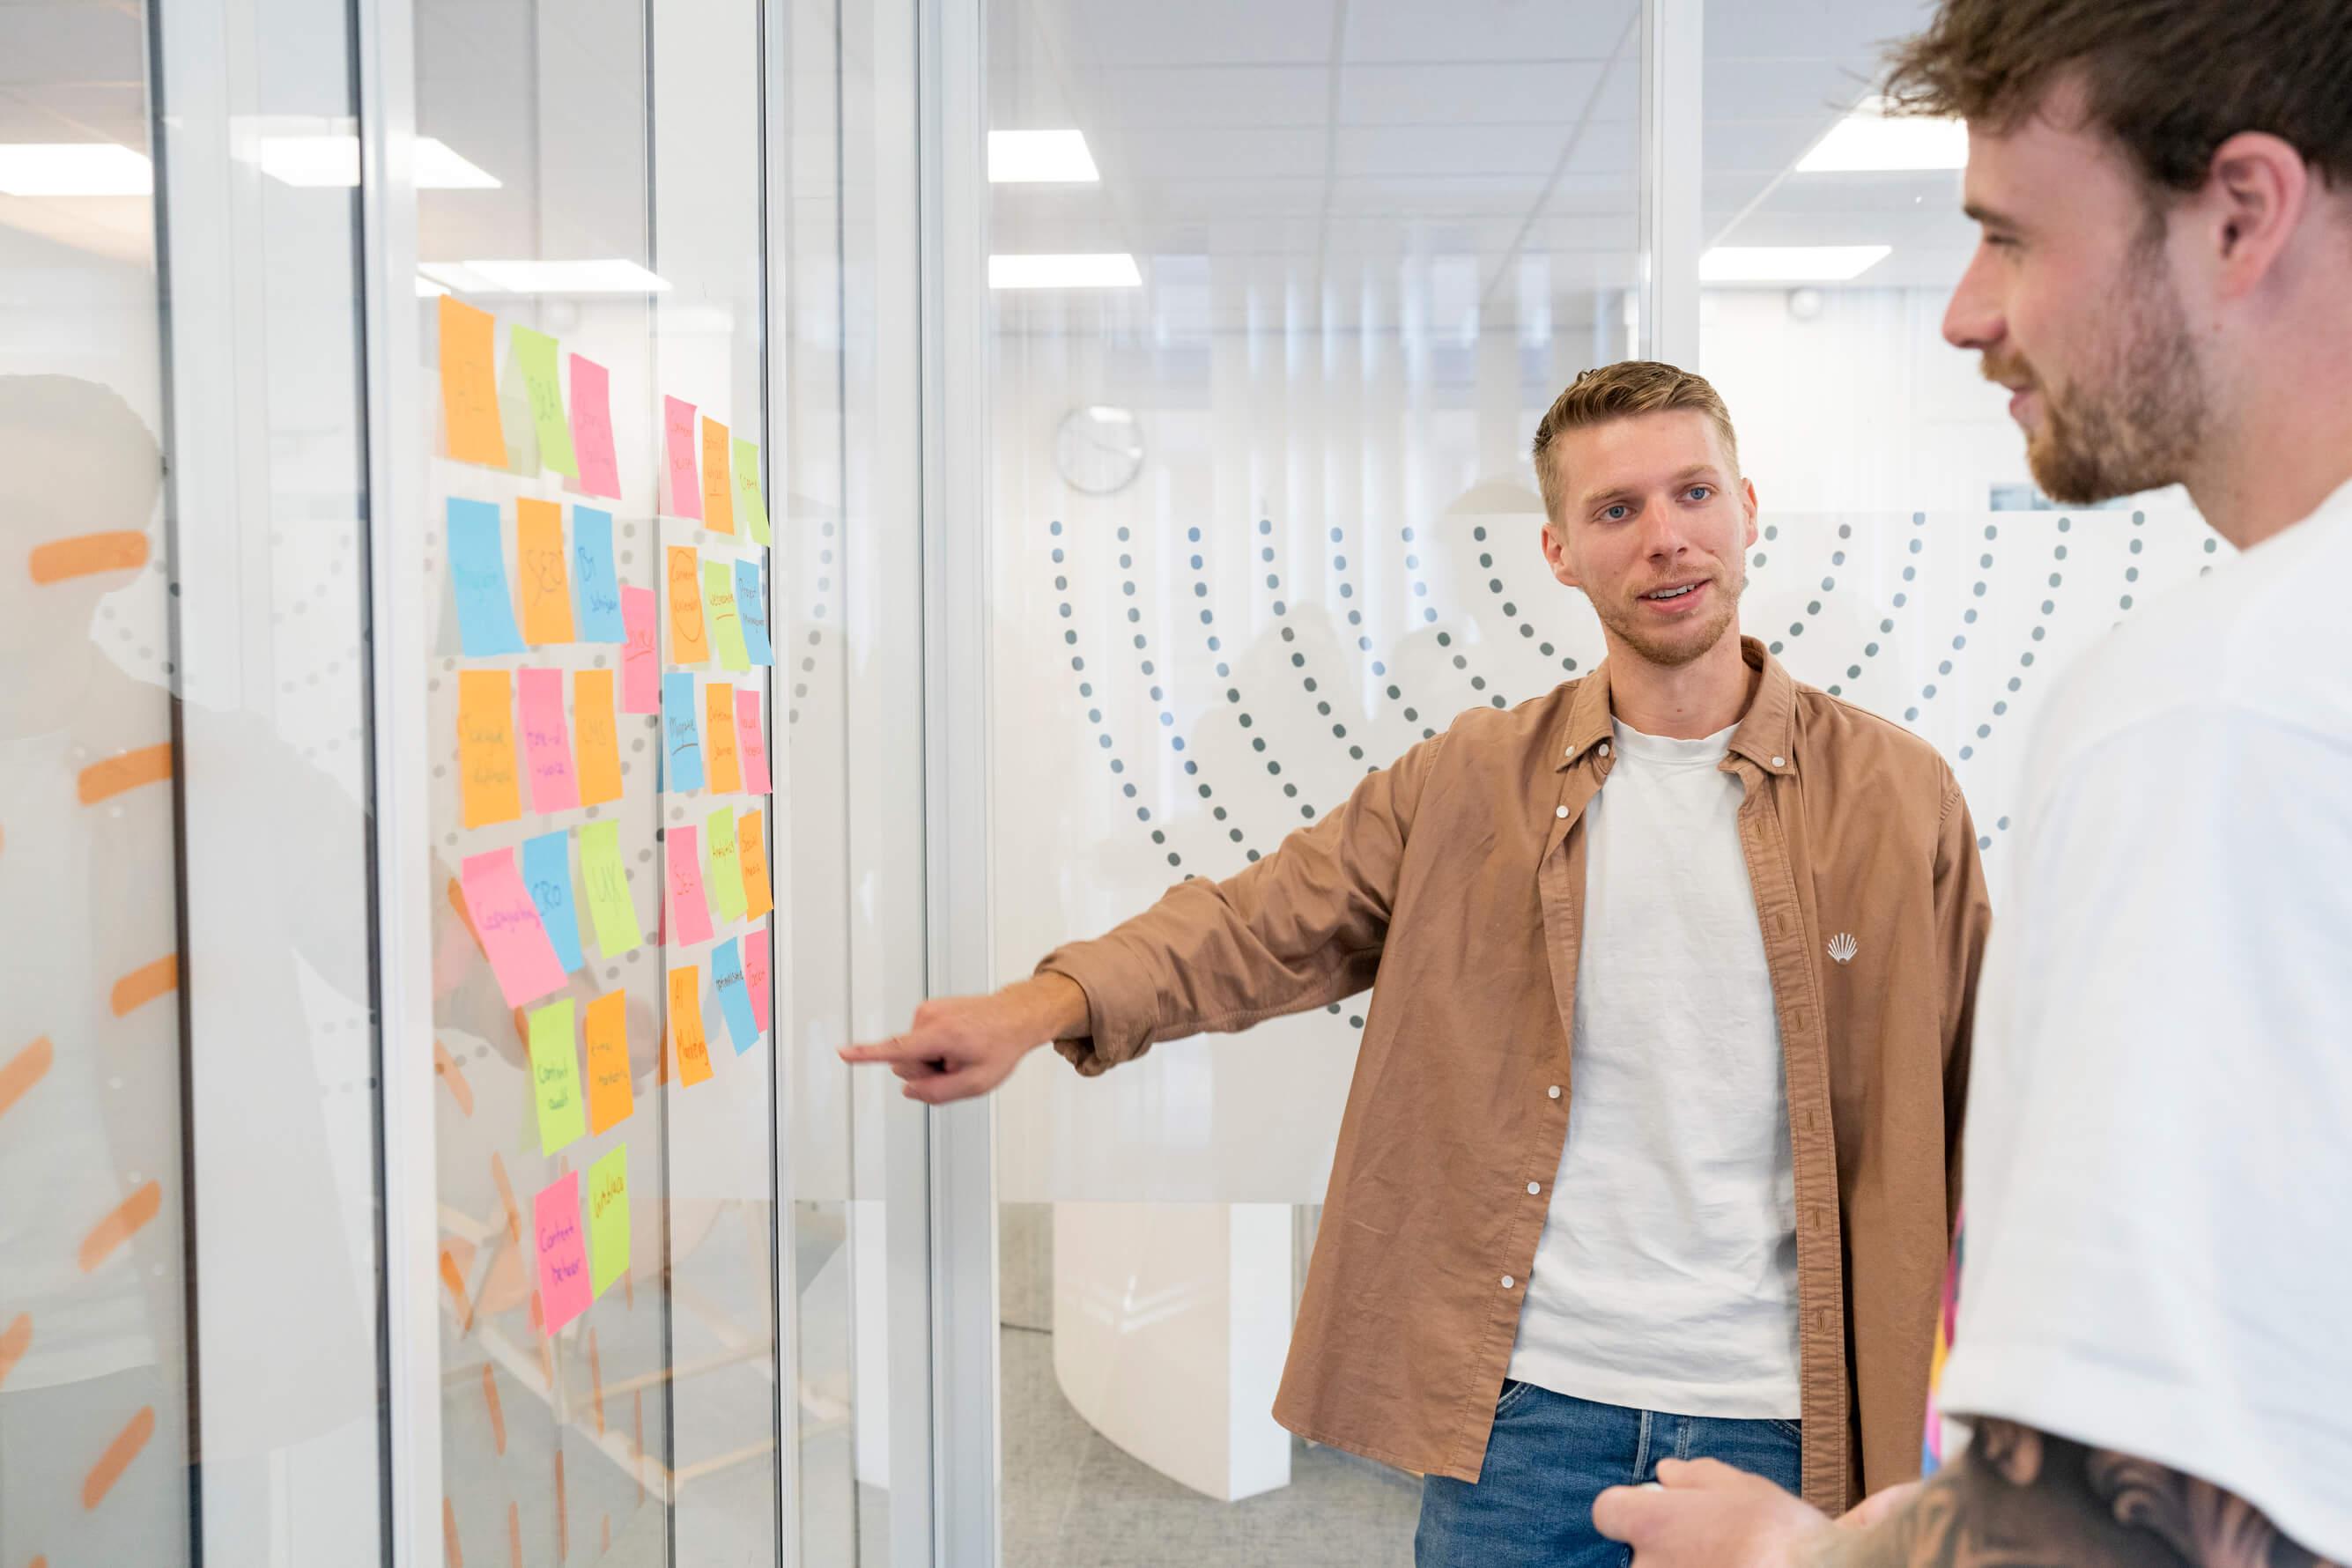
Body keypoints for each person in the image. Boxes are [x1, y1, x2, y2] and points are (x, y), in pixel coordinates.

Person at [843, 361, 1992, 1564]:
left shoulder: (1895, 796)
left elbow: (1984, 1097)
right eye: (1615, 511)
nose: (1664, 539)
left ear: (1746, 509)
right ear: (1555, 551)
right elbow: (1256, 922)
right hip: (1528, 1413)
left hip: (1783, 1420)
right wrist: (1038, 1008)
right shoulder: (1470, 782)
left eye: (1691, 494)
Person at [1592, 3, 2352, 1564]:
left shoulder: (2212, 710)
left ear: (2240, 213)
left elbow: (2122, 1521)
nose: (1961, 313)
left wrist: (1791, 1556)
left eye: (2009, 239)